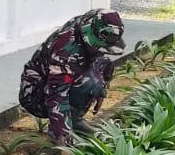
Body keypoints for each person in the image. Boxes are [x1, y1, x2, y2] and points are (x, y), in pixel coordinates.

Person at [19, 10, 125, 145]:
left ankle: (75, 120)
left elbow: (104, 62)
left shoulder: (93, 21)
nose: (99, 50)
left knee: (94, 80)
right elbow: (56, 96)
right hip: (36, 93)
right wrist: (65, 143)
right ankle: (58, 129)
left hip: (61, 79)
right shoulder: (65, 50)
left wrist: (101, 89)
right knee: (86, 82)